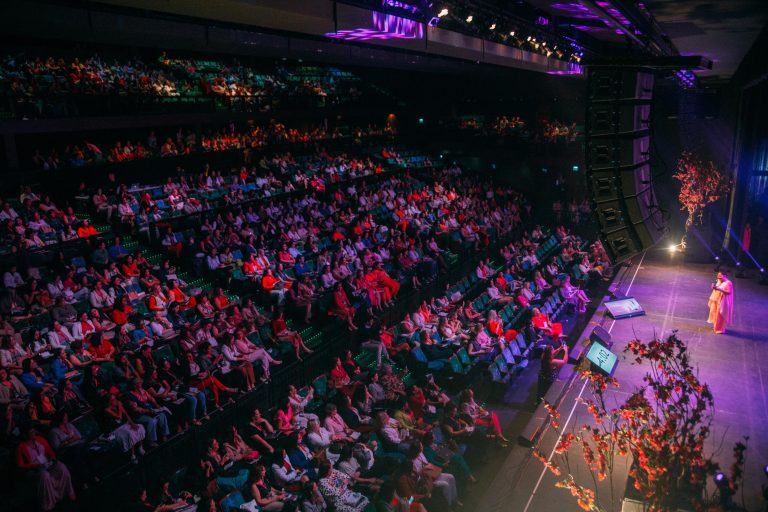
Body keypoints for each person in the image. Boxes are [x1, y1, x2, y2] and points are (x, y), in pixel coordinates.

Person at [15, 427, 76, 511]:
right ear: (26, 434)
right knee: (45, 475)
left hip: (47, 463)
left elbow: (49, 451)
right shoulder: (20, 447)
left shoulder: (40, 439)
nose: (33, 433)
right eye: (31, 432)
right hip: (36, 469)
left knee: (61, 466)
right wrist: (35, 466)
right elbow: (20, 465)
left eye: (33, 431)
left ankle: (68, 491)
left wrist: (52, 457)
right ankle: (48, 503)